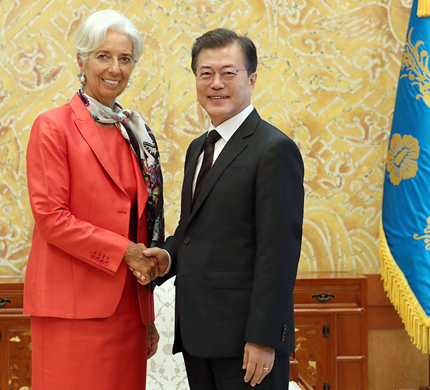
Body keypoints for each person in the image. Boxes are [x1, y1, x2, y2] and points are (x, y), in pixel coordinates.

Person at [142, 28, 304, 389]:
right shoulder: (198, 148)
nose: (216, 83)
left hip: (246, 342)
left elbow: (278, 252)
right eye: (206, 74)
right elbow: (193, 230)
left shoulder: (274, 150)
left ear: (252, 78)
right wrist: (165, 257)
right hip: (199, 335)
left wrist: (264, 338)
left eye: (228, 73)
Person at [24, 9, 166, 390]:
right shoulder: (52, 126)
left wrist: (147, 314)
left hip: (128, 310)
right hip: (72, 312)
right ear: (81, 61)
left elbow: (143, 225)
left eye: (125, 58)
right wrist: (124, 252)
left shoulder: (136, 132)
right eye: (103, 56)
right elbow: (52, 218)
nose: (114, 68)